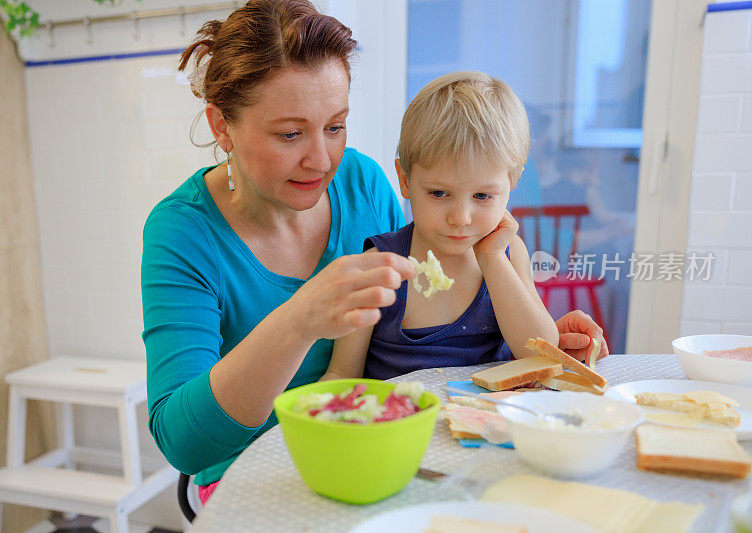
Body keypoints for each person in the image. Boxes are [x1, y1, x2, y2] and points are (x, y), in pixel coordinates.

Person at [141, 0, 609, 505]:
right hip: (252, 476)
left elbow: (429, 298)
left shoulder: (360, 182)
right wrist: (299, 320)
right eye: (290, 134)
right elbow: (183, 444)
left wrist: (529, 336)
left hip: (385, 449)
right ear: (222, 126)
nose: (321, 160)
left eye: (336, 126)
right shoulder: (184, 232)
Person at [323, 72, 559, 381]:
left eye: (483, 195)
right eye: (439, 193)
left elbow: (540, 355)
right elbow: (342, 372)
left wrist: (492, 260)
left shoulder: (509, 253)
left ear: (511, 182)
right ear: (405, 180)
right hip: (403, 425)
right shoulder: (381, 264)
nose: (460, 217)